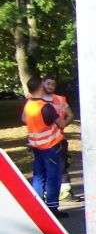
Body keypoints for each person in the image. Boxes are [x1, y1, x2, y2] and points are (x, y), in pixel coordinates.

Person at [22, 75, 68, 218]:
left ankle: (38, 206)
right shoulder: (45, 107)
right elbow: (61, 124)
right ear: (40, 88)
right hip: (51, 146)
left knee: (38, 176)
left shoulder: (29, 104)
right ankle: (52, 208)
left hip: (36, 146)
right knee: (53, 177)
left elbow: (24, 119)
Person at [42, 75, 74, 200]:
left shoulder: (60, 99)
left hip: (58, 140)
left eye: (53, 84)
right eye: (48, 83)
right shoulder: (38, 100)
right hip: (42, 141)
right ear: (43, 84)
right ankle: (47, 194)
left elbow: (70, 115)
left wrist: (63, 124)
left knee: (62, 166)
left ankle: (65, 194)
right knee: (45, 168)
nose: (50, 86)